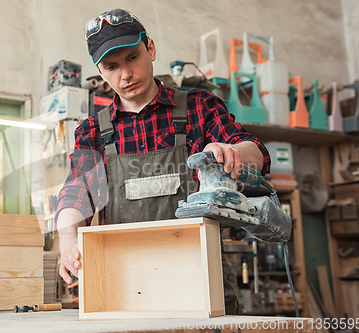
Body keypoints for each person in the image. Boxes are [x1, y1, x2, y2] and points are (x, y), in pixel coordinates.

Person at [55, 8, 270, 314]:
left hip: (202, 285)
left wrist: (235, 152)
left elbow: (258, 153)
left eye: (132, 57)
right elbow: (76, 194)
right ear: (100, 72)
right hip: (123, 290)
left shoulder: (199, 107)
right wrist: (67, 242)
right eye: (112, 66)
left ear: (150, 49)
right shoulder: (91, 132)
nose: (125, 74)